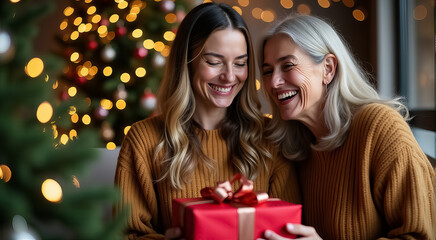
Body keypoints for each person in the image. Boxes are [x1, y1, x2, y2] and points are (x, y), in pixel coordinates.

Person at [114, 3, 301, 239]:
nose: (230, 76)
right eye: (214, 62)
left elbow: (288, 227)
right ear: (187, 62)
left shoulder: (271, 137)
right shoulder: (145, 139)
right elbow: (127, 234)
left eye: (240, 63)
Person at [259, 14, 436, 239]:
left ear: (328, 68)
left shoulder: (380, 127)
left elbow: (419, 236)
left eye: (288, 65)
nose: (273, 82)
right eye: (267, 71)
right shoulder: (297, 149)